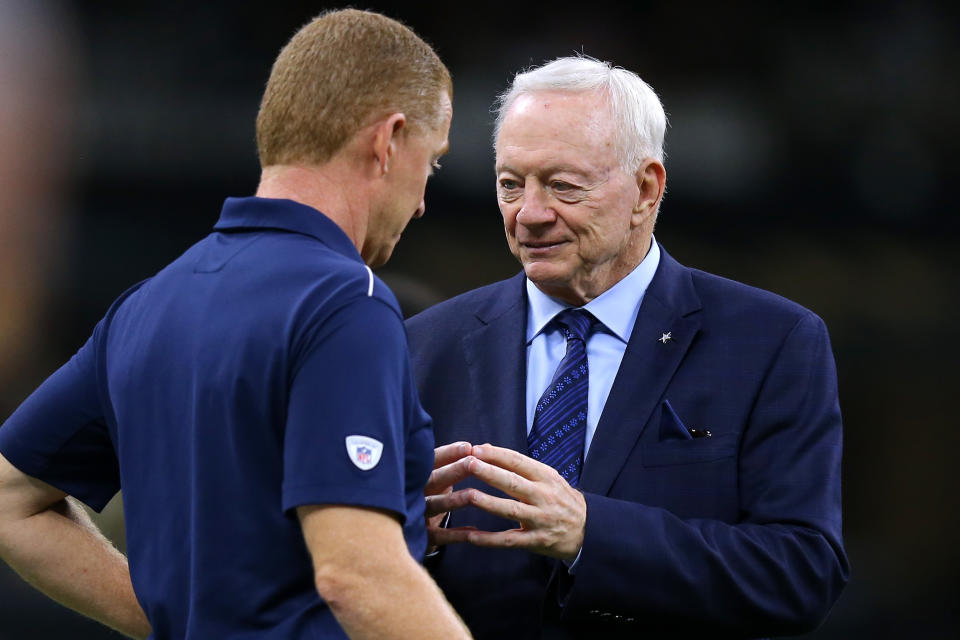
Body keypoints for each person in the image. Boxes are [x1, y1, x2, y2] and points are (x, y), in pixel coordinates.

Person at [0, 9, 470, 639]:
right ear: (388, 140)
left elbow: (10, 501)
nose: (420, 200)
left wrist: (173, 621)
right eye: (432, 163)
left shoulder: (148, 303)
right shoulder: (346, 301)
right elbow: (358, 574)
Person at [407, 56, 849, 638]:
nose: (530, 215)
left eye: (563, 185)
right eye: (511, 184)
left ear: (646, 189)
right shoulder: (423, 345)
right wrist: (415, 531)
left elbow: (801, 573)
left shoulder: (771, 342)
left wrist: (593, 534)